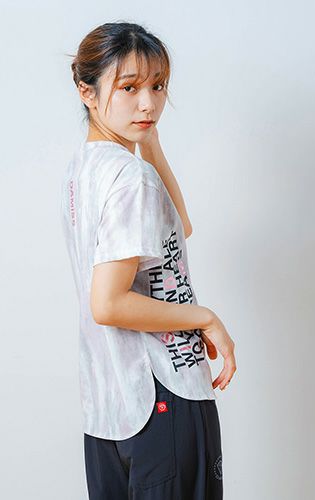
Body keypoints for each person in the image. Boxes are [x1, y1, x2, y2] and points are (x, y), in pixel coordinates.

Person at [61, 21, 237, 499]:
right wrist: (204, 317)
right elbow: (109, 303)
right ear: (87, 91)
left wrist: (149, 142)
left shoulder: (82, 170)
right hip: (164, 392)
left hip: (107, 407)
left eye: (158, 86)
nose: (149, 103)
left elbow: (178, 225)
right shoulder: (129, 177)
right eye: (129, 87)